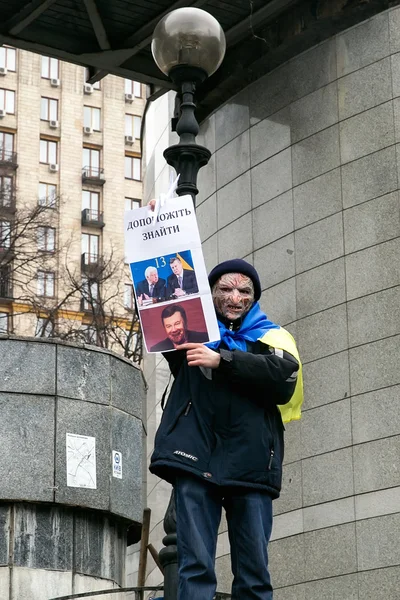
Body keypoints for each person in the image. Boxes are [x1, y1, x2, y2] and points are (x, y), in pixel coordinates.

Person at [149, 259, 303, 600]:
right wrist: (155, 240)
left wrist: (223, 360)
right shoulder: (188, 333)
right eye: (225, 289)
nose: (235, 297)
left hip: (250, 464)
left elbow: (283, 379)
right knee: (196, 568)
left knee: (254, 574)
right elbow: (155, 304)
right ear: (210, 293)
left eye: (244, 290)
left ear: (254, 297)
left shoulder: (272, 337)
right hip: (196, 459)